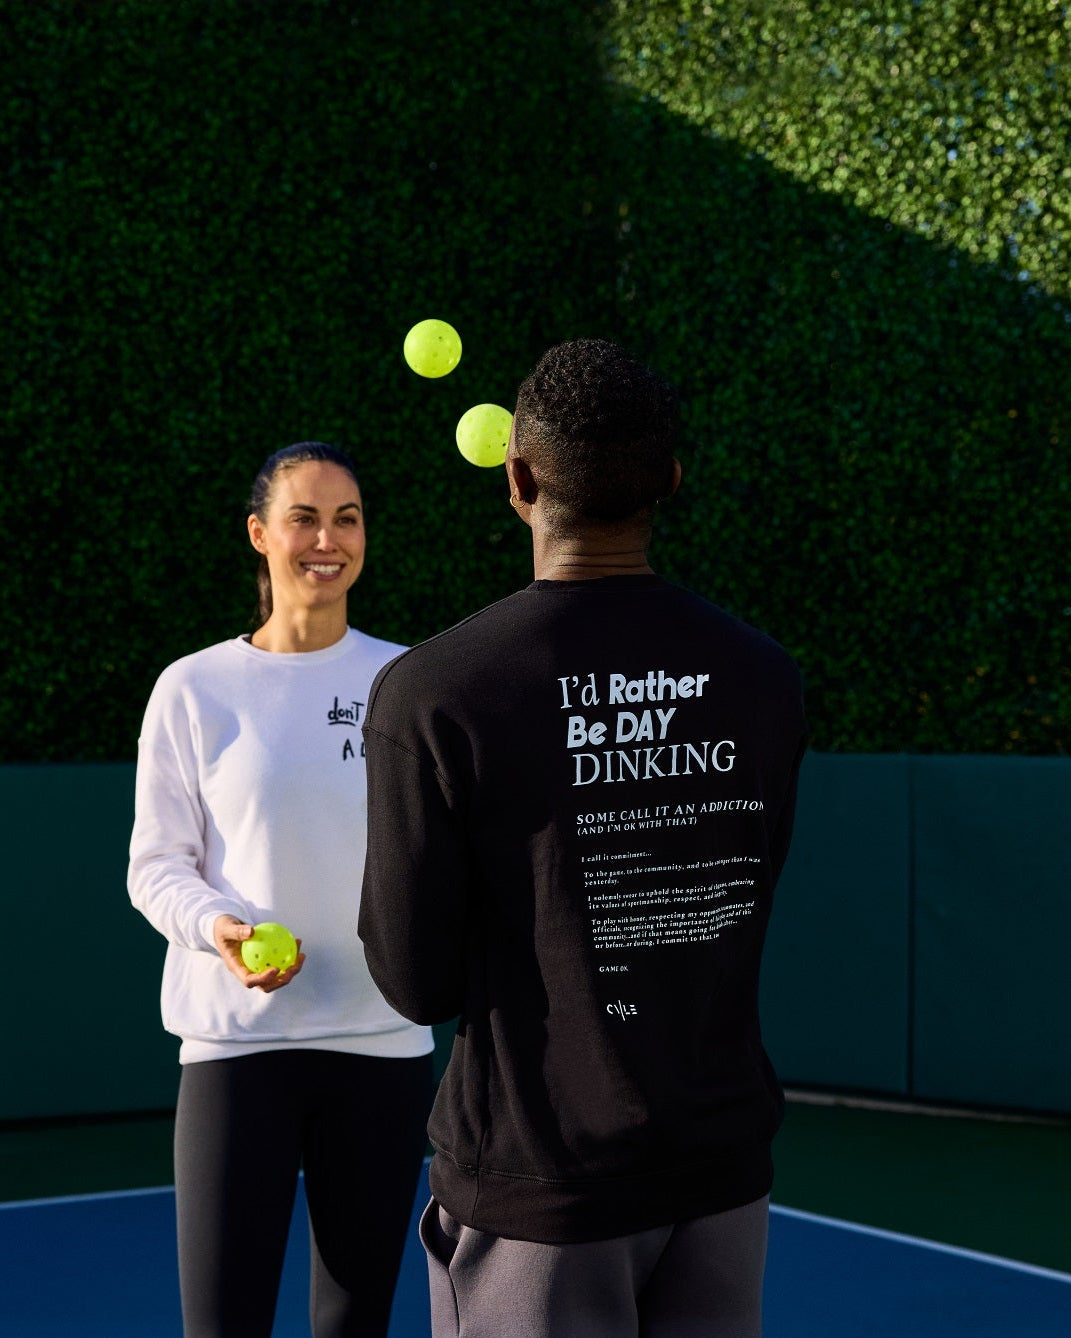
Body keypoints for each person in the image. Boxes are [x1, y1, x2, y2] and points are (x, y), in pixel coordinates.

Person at [357, 340, 807, 1338]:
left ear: (517, 479)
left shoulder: (437, 690)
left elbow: (416, 981)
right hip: (723, 1176)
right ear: (673, 481)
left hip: (541, 1194)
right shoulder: (764, 677)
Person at [128, 441, 434, 1338]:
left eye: (347, 517)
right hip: (235, 1052)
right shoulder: (193, 688)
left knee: (354, 1323)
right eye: (303, 517)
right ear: (260, 533)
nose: (327, 540)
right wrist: (218, 926)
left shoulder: (409, 683)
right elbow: (156, 865)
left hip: (382, 1049)